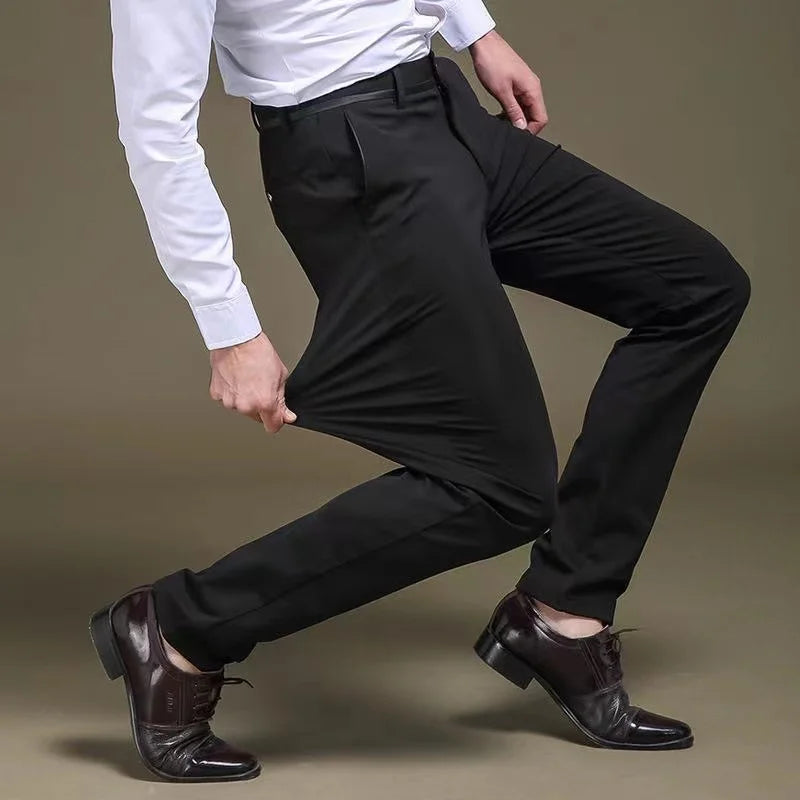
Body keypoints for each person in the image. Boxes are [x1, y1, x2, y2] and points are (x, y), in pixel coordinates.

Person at [91, 0, 750, 783]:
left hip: (443, 110)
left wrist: (475, 29)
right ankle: (177, 627)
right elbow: (155, 129)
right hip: (356, 155)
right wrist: (229, 327)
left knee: (695, 289)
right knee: (502, 488)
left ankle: (564, 613)